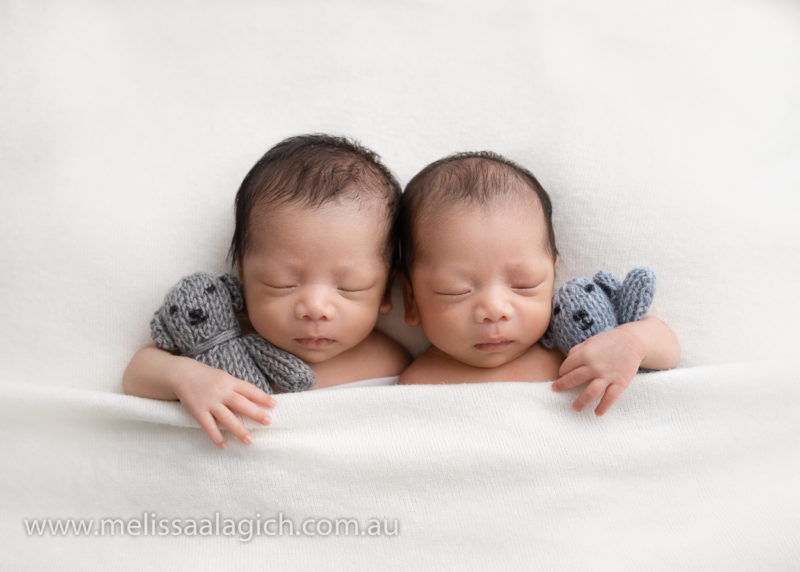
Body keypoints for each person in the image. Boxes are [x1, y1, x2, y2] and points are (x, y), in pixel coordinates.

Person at [123, 134, 410, 448]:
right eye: (281, 283)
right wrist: (182, 377)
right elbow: (136, 374)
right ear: (243, 276)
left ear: (385, 293)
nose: (315, 307)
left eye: (350, 287)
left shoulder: (393, 360)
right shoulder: (227, 342)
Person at [397, 151, 679, 415]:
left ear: (552, 276)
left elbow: (669, 352)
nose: (495, 310)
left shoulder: (571, 351)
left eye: (524, 284)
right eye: (456, 290)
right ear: (411, 299)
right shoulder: (414, 385)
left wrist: (633, 341)